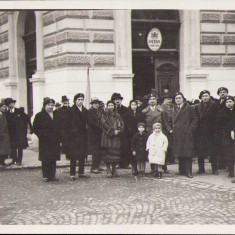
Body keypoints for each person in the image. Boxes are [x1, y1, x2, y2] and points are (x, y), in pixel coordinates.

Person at [33, 98, 62, 182]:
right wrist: (41, 135)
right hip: (45, 141)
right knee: (45, 158)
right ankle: (45, 175)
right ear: (44, 106)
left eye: (52, 105)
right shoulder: (39, 115)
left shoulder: (56, 115)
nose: (50, 107)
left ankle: (52, 175)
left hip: (54, 140)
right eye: (48, 105)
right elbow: (35, 128)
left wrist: (59, 138)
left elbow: (60, 127)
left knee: (53, 157)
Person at [170, 92, 198, 178]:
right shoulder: (172, 108)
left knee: (187, 153)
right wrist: (170, 130)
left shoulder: (189, 108)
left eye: (179, 98)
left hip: (186, 133)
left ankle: (189, 171)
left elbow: (195, 119)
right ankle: (181, 171)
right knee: (179, 152)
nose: (178, 99)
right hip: (177, 133)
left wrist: (190, 130)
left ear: (183, 99)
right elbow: (168, 120)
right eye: (176, 98)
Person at [194, 90, 219, 175]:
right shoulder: (197, 106)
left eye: (206, 96)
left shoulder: (214, 105)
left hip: (211, 131)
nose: (205, 98)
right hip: (200, 132)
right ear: (200, 97)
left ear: (209, 96)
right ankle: (201, 169)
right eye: (203, 96)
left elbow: (217, 118)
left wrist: (215, 130)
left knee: (213, 151)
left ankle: (215, 169)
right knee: (200, 151)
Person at [66, 93, 89, 181]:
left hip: (83, 136)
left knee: (82, 154)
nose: (80, 101)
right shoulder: (70, 110)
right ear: (75, 100)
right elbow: (67, 124)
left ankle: (81, 172)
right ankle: (72, 173)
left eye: (81, 99)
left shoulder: (85, 111)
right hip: (74, 137)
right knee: (74, 156)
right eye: (78, 99)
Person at [100, 100, 124, 177]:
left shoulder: (117, 115)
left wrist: (119, 130)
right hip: (108, 137)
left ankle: (114, 170)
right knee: (108, 154)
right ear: (107, 106)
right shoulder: (104, 115)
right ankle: (108, 170)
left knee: (115, 154)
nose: (111, 107)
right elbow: (104, 124)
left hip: (116, 137)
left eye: (112, 105)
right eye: (109, 105)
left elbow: (121, 123)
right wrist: (112, 131)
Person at [214, 96, 235, 178]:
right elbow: (218, 125)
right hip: (226, 136)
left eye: (230, 101)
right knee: (229, 154)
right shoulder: (221, 113)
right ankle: (231, 171)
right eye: (227, 102)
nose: (229, 103)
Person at [111, 93, 129, 169]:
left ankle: (125, 163)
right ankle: (116, 163)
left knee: (124, 147)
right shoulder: (111, 110)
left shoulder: (126, 109)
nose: (117, 101)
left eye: (119, 99)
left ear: (121, 100)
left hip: (123, 131)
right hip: (114, 131)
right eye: (115, 99)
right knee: (115, 148)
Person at [214, 87, 229, 169]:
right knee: (219, 146)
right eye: (221, 92)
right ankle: (221, 163)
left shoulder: (229, 101)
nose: (222, 93)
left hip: (226, 127)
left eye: (224, 92)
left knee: (227, 147)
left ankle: (228, 164)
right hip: (219, 127)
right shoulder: (217, 102)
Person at [87, 97, 103, 174]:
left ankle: (98, 166)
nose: (97, 105)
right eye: (95, 103)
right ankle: (93, 167)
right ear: (92, 104)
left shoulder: (99, 111)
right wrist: (101, 127)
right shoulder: (89, 112)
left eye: (97, 103)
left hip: (100, 133)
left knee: (100, 150)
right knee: (95, 151)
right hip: (93, 134)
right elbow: (91, 123)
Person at [5, 98, 21, 165]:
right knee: (13, 147)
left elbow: (23, 122)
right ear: (8, 105)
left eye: (12, 103)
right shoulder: (6, 113)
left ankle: (19, 161)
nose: (11, 105)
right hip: (11, 133)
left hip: (19, 132)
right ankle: (14, 160)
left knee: (20, 147)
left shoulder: (19, 111)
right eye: (9, 104)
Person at [161, 93, 174, 171]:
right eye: (167, 99)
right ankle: (164, 166)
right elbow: (164, 121)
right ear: (164, 100)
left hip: (173, 130)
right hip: (165, 130)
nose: (169, 101)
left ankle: (169, 162)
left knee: (170, 148)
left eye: (170, 99)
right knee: (165, 148)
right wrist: (169, 129)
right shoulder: (161, 108)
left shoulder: (173, 107)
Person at [0, 102, 11, 166]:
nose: (4, 108)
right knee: (2, 149)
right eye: (3, 107)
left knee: (4, 149)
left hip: (4, 135)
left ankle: (2, 161)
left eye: (5, 107)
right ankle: (1, 162)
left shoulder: (3, 115)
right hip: (1, 135)